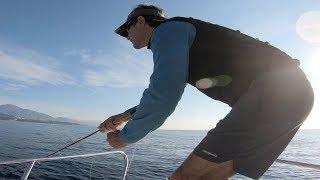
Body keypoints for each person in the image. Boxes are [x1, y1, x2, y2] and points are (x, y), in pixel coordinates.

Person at [98, 4, 314, 180]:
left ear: (142, 21)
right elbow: (167, 90)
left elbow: (164, 95)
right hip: (293, 95)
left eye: (127, 28)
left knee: (185, 178)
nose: (126, 35)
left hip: (273, 93)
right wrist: (123, 116)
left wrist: (126, 137)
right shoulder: (180, 35)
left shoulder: (168, 31)